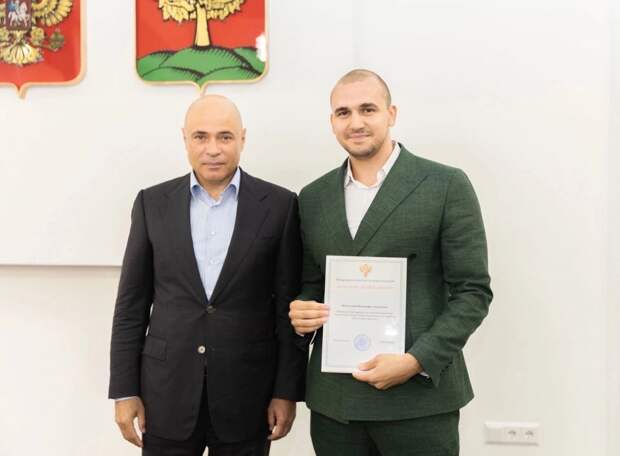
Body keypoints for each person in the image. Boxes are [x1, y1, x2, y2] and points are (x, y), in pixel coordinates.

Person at [289, 69, 493, 456]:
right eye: (343, 112)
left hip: (419, 402)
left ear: (391, 114)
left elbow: (473, 292)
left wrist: (417, 361)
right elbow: (313, 285)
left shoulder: (445, 185)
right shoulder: (313, 197)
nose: (356, 122)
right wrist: (302, 310)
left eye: (368, 109)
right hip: (336, 405)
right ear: (332, 121)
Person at [109, 95, 305, 456]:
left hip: (248, 395)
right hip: (165, 394)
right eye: (201, 136)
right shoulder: (152, 203)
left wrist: (286, 391)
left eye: (225, 137)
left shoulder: (280, 205)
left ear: (242, 138)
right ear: (185, 139)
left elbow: (287, 309)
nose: (213, 149)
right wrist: (124, 390)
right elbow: (131, 306)